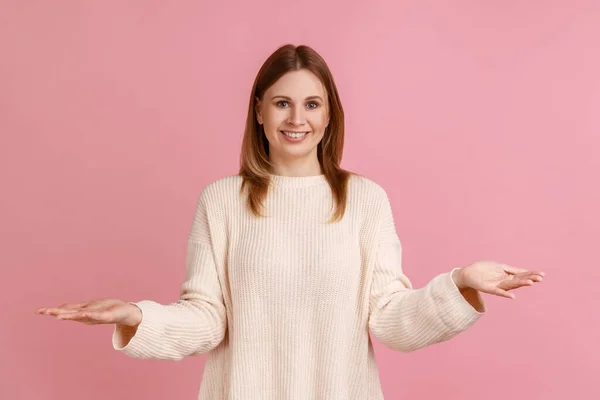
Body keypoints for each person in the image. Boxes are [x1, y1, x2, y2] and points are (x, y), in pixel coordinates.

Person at [36, 44, 545, 399]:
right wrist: (136, 316)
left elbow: (390, 320)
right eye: (282, 102)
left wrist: (459, 284)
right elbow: (207, 319)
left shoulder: (364, 200)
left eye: (311, 104)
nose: (296, 118)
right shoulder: (222, 202)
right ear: (259, 111)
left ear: (328, 116)